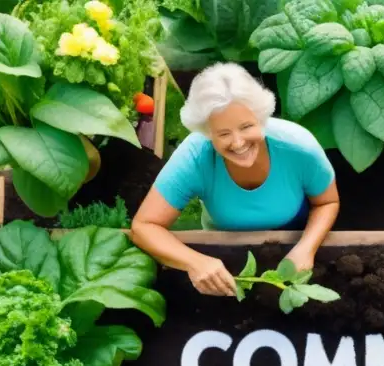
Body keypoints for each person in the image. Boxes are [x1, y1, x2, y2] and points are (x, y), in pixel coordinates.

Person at [131, 63, 339, 297]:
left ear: (260, 118)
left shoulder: (298, 147)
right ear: (208, 133)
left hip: (293, 235)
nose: (238, 142)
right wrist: (196, 262)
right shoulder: (195, 156)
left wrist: (306, 248)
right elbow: (144, 226)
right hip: (225, 247)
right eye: (223, 133)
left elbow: (326, 202)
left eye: (246, 126)